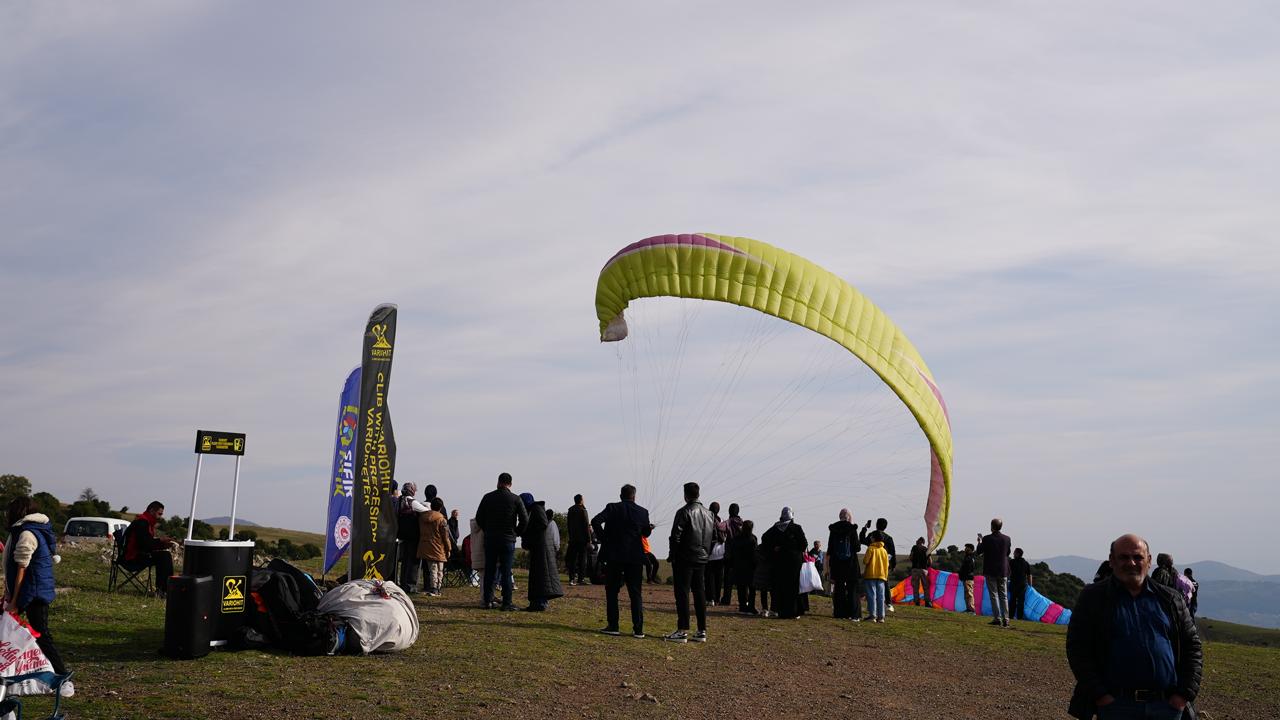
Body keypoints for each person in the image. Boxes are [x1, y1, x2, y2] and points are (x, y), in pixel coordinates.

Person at [1067, 534, 1202, 720]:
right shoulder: (1093, 598)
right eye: (1124, 557)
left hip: (1166, 707)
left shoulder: (1170, 599)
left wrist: (1183, 695)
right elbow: (1077, 648)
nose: (1131, 563)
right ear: (1112, 560)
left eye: (1138, 557)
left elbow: (1192, 646)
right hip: (1116, 707)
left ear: (1149, 561)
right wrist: (1100, 695)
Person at [3, 496, 69, 682]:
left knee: (41, 635)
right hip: (32, 589)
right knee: (22, 631)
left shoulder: (27, 533)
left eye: (10, 510)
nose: (7, 514)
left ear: (18, 511)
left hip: (33, 592)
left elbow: (21, 569)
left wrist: (14, 601)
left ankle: (62, 676)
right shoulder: (25, 530)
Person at [591, 484, 651, 638]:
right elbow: (645, 533)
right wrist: (649, 528)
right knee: (635, 593)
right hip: (635, 557)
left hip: (614, 555)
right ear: (634, 496)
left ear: (620, 496)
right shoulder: (643, 512)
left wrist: (605, 539)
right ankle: (638, 629)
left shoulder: (612, 508)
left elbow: (595, 521)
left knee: (612, 591)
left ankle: (613, 625)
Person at [665, 482, 714, 643]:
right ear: (698, 494)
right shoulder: (709, 514)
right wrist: (706, 554)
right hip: (702, 558)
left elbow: (675, 536)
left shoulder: (684, 511)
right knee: (700, 592)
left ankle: (682, 630)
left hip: (685, 559)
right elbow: (714, 537)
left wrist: (672, 555)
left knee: (682, 593)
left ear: (685, 495)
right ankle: (701, 630)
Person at [474, 472, 528, 610]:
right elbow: (524, 520)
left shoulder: (487, 497)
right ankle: (507, 602)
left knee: (490, 570)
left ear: (498, 482)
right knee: (506, 572)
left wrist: (487, 530)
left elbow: (479, 518)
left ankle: (487, 600)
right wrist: (516, 532)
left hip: (491, 539)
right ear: (510, 484)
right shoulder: (516, 499)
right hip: (508, 539)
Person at [761, 507, 807, 620]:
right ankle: (793, 611)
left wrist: (773, 548)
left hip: (779, 562)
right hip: (794, 562)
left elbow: (764, 538)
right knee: (793, 587)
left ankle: (781, 611)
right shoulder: (796, 528)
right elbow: (804, 544)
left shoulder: (775, 528)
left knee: (780, 587)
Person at [123, 500, 176, 596]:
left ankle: (164, 589)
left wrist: (163, 545)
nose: (160, 517)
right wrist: (160, 540)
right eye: (159, 514)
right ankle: (163, 590)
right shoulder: (142, 522)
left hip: (136, 554)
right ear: (152, 511)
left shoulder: (145, 522)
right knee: (164, 557)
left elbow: (147, 543)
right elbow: (144, 545)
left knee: (164, 555)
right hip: (132, 558)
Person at [520, 493, 563, 612]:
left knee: (541, 577)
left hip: (541, 549)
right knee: (539, 577)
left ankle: (540, 603)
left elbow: (542, 524)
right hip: (539, 548)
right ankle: (536, 602)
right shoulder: (533, 510)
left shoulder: (536, 509)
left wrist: (529, 534)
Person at [976, 518, 1012, 628]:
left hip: (990, 570)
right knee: (1004, 596)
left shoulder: (987, 539)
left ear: (992, 526)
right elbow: (1007, 553)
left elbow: (979, 551)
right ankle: (1006, 619)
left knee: (994, 595)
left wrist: (979, 542)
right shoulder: (1007, 539)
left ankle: (997, 618)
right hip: (1003, 570)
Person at [827, 509, 861, 621]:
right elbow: (857, 547)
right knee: (852, 589)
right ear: (849, 517)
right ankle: (854, 614)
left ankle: (839, 612)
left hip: (837, 563)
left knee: (839, 589)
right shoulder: (852, 528)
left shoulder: (833, 529)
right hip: (850, 563)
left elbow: (830, 548)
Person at [395, 482, 427, 593]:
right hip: (413, 536)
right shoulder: (411, 502)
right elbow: (426, 511)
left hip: (402, 535)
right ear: (411, 490)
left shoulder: (399, 501)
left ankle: (403, 583)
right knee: (413, 561)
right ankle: (410, 586)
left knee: (405, 561)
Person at [417, 497, 452, 596]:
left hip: (426, 546)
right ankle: (437, 588)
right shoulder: (442, 520)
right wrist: (448, 548)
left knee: (432, 569)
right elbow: (445, 536)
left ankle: (433, 587)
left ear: (431, 506)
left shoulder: (422, 518)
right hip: (439, 547)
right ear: (440, 507)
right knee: (439, 569)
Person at [861, 518, 897, 612]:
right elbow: (892, 552)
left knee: (871, 587)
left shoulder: (872, 535)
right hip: (884, 565)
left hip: (872, 565)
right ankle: (888, 604)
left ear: (876, 524)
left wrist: (864, 528)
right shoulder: (888, 538)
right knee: (885, 584)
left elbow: (862, 540)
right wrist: (893, 565)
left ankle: (872, 607)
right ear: (885, 526)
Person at [729, 519, 758, 614]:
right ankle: (751, 606)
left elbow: (732, 552)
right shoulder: (753, 539)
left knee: (741, 588)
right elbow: (754, 554)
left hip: (738, 566)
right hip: (750, 567)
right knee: (752, 588)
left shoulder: (736, 539)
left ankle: (742, 606)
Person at [719, 503, 744, 606]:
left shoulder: (728, 522)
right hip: (740, 555)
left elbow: (719, 527)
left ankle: (726, 599)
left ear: (729, 511)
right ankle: (743, 600)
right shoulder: (742, 523)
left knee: (728, 579)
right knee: (741, 579)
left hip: (729, 554)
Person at [862, 530, 889, 623]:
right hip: (882, 576)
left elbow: (865, 561)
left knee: (871, 595)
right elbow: (887, 565)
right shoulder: (884, 551)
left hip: (871, 575)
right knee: (881, 596)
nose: (870, 538)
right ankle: (881, 617)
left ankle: (872, 615)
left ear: (874, 538)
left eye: (871, 536)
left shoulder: (871, 548)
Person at [566, 494, 592, 586]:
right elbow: (586, 525)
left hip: (573, 539)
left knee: (572, 560)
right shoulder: (583, 510)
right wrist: (589, 539)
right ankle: (581, 579)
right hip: (582, 540)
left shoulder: (570, 510)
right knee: (582, 560)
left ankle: (571, 578)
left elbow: (568, 525)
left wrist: (570, 536)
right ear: (581, 500)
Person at [704, 501, 725, 607]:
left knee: (709, 577)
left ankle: (710, 598)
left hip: (710, 552)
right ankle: (717, 598)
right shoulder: (722, 521)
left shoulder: (706, 520)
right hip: (721, 552)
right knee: (718, 578)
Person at [1009, 547, 1034, 621]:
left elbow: (1007, 572)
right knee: (1021, 602)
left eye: (1014, 552)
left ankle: (1011, 616)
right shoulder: (1026, 563)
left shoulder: (1012, 562)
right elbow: (1029, 575)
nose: (1013, 554)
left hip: (1014, 584)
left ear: (1017, 554)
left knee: (1012, 601)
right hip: (1023, 585)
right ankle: (1019, 617)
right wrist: (1030, 586)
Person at [909, 536, 933, 607]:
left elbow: (911, 557)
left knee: (915, 587)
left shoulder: (914, 547)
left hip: (915, 569)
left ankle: (917, 602)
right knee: (926, 586)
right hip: (923, 570)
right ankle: (927, 602)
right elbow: (930, 561)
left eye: (917, 540)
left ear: (920, 541)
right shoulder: (926, 549)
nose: (916, 541)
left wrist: (913, 561)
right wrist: (927, 566)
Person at [959, 543, 977, 614]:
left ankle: (971, 610)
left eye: (967, 548)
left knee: (969, 594)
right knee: (967, 594)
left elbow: (968, 569)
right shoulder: (968, 557)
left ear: (970, 549)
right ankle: (968, 609)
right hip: (966, 578)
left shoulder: (970, 558)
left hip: (968, 578)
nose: (965, 549)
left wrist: (962, 574)